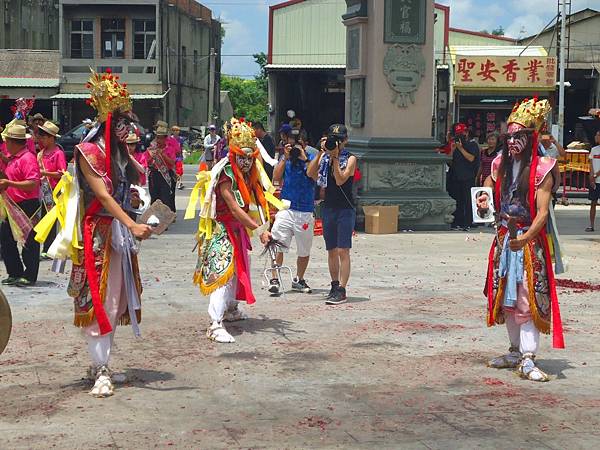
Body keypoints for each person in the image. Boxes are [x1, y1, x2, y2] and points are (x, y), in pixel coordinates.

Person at [66, 69, 152, 397]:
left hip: (116, 233)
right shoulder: (88, 153)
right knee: (98, 300)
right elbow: (101, 196)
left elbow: (117, 192)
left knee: (116, 301)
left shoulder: (119, 154)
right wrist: (130, 223)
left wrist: (129, 203)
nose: (126, 127)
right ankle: (100, 366)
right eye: (120, 119)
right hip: (97, 235)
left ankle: (101, 361)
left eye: (127, 120)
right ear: (106, 120)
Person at [481, 98, 564, 382]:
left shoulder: (543, 168)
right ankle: (515, 351)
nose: (513, 142)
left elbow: (542, 212)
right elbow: (488, 189)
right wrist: (483, 199)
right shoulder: (500, 162)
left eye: (519, 137)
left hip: (528, 242)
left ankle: (529, 357)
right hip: (505, 238)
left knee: (529, 299)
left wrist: (526, 237)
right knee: (505, 296)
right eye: (510, 136)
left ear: (530, 138)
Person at [189, 118, 273, 343]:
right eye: (242, 156)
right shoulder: (225, 172)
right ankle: (215, 324)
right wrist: (259, 229)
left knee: (238, 270)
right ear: (233, 152)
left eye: (250, 157)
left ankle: (231, 309)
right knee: (222, 275)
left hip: (237, 230)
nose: (246, 161)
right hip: (222, 229)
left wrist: (267, 219)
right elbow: (234, 208)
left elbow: (256, 199)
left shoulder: (249, 173)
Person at [307, 124, 357, 305]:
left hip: (345, 208)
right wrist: (321, 153)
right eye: (331, 139)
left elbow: (340, 178)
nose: (335, 142)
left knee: (343, 249)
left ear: (345, 141)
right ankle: (334, 285)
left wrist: (335, 158)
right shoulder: (324, 158)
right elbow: (310, 173)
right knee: (331, 250)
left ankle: (342, 289)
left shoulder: (351, 158)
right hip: (329, 207)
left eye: (338, 139)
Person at [269, 128, 317, 294]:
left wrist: (304, 159)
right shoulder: (285, 157)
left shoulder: (312, 158)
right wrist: (285, 157)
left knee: (304, 249)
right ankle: (274, 278)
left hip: (305, 210)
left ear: (305, 144)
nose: (294, 147)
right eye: (290, 144)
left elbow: (316, 177)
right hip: (286, 207)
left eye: (298, 144)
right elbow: (275, 177)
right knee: (277, 243)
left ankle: (299, 279)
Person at [0, 124, 41, 287]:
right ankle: (14, 272)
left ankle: (30, 275)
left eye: (7, 141)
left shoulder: (27, 158)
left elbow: (32, 183)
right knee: (6, 238)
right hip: (12, 204)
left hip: (27, 204)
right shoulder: (14, 158)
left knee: (30, 242)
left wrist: (9, 182)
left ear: (12, 142)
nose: (5, 145)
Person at [37, 121, 67, 259]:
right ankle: (45, 247)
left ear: (51, 137)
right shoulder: (41, 153)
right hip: (43, 190)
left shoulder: (58, 153)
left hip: (55, 190)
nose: (41, 139)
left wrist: (45, 173)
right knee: (44, 218)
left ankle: (50, 248)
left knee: (53, 220)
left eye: (44, 137)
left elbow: (62, 173)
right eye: (40, 137)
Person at [449, 123, 479, 230]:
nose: (461, 136)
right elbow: (451, 162)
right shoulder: (455, 146)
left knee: (468, 201)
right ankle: (458, 222)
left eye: (462, 133)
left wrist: (461, 149)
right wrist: (453, 150)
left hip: (468, 177)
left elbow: (471, 158)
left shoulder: (472, 145)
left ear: (466, 133)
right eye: (458, 134)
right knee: (458, 201)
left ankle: (468, 222)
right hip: (456, 177)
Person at [147, 125, 177, 213]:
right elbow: (147, 163)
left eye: (160, 138)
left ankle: (164, 219)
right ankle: (154, 218)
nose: (158, 140)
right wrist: (152, 157)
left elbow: (172, 163)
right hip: (154, 175)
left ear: (165, 139)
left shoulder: (169, 149)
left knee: (165, 198)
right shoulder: (152, 149)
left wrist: (163, 155)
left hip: (166, 175)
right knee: (154, 197)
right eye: (157, 138)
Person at [586, 130, 600, 232]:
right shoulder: (594, 149)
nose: (596, 136)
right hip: (594, 181)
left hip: (597, 178)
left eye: (598, 135)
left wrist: (595, 175)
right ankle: (591, 225)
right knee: (593, 203)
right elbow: (591, 164)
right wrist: (591, 176)